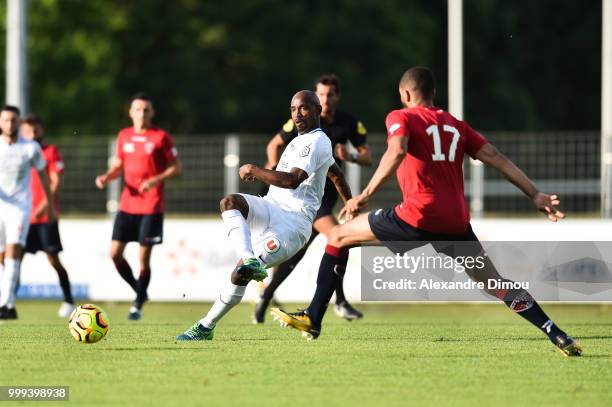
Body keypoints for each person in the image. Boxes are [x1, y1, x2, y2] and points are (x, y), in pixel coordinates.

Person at [271, 67, 582, 357]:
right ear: (434, 94)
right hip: (456, 223)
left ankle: (313, 316)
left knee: (338, 236)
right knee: (494, 282)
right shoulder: (457, 126)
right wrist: (535, 193)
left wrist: (363, 195)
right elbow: (495, 156)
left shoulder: (400, 117)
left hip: (416, 217)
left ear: (406, 95)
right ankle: (554, 331)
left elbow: (398, 151)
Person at [176, 90, 353, 341]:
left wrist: (255, 170)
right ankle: (249, 258)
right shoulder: (298, 141)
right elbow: (335, 173)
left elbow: (292, 181)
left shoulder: (317, 141)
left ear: (317, 110)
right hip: (271, 206)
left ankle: (205, 326)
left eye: (303, 108)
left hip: (293, 224)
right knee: (230, 202)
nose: (297, 114)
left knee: (240, 274)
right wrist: (351, 203)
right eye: (293, 109)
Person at [253, 74, 372, 324]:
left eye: (330, 95)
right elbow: (274, 144)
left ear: (337, 97)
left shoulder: (348, 123)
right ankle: (339, 302)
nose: (326, 99)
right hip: (308, 202)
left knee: (294, 259)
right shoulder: (303, 122)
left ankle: (264, 300)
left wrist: (349, 154)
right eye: (322, 95)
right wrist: (272, 169)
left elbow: (366, 157)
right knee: (341, 238)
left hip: (327, 201)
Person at [95, 93, 182, 320]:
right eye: (137, 109)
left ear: (152, 113)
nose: (141, 113)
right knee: (114, 254)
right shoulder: (123, 136)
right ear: (130, 112)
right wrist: (106, 176)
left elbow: (176, 168)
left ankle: (136, 306)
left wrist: (155, 180)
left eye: (146, 110)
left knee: (143, 258)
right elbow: (118, 166)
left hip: (151, 206)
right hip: (127, 205)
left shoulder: (161, 137)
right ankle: (139, 291)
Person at [0, 105, 54, 319]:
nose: (10, 124)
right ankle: (5, 300)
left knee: (14, 252)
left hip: (20, 207)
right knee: (2, 256)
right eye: (6, 120)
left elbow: (43, 176)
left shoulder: (30, 147)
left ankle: (7, 304)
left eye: (14, 120)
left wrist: (49, 204)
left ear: (19, 122)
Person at [20, 114, 75, 317]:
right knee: (13, 260)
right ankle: (6, 302)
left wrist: (45, 205)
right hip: (23, 217)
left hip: (45, 217)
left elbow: (55, 182)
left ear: (42, 131)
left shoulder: (50, 152)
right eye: (28, 130)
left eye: (36, 130)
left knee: (53, 259)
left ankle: (69, 300)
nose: (33, 134)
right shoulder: (19, 153)